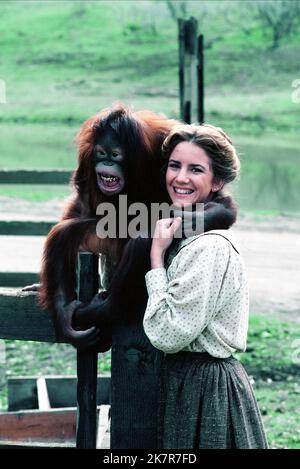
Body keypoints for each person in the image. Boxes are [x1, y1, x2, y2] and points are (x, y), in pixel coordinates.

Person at [143, 123, 268, 449]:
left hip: (207, 390)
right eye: (174, 165)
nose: (180, 178)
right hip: (188, 383)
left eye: (195, 169)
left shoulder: (210, 247)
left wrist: (155, 257)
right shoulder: (188, 236)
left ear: (218, 181)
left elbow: (166, 333)